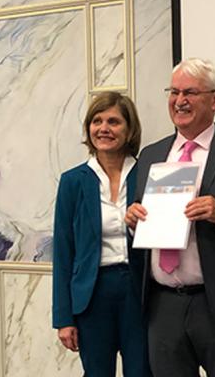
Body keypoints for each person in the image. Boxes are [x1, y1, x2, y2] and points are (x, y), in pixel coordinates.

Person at [124, 58, 215, 377]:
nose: (179, 100)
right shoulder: (151, 155)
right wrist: (133, 218)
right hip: (163, 305)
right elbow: (139, 217)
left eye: (190, 92)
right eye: (173, 92)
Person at [52, 91, 150, 376]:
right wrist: (63, 318)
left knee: (142, 371)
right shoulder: (72, 182)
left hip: (139, 292)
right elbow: (63, 251)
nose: (104, 128)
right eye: (97, 121)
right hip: (92, 296)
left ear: (129, 129)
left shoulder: (148, 172)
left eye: (114, 121)